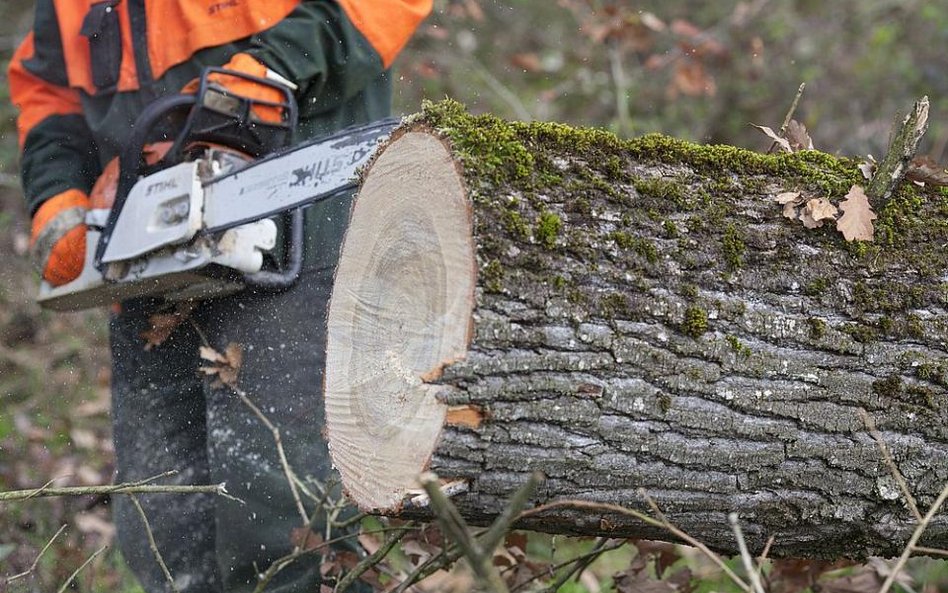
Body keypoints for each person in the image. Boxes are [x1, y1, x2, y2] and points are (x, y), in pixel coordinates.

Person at [8, 1, 432, 591]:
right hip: (149, 253)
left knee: (287, 517)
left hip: (299, 228)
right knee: (164, 519)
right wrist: (59, 195)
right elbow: (47, 87)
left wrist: (269, 70)